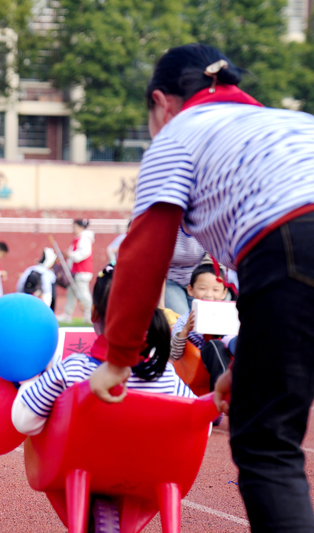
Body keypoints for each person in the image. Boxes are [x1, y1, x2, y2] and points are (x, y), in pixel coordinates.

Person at [87, 43, 314, 532]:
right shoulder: (292, 123)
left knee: (266, 444)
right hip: (288, 242)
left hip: (293, 239)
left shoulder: (177, 137)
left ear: (160, 103)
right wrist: (246, 362)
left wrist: (118, 357)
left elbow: (144, 253)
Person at [12, 263, 195, 435]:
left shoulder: (72, 371)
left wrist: (32, 380)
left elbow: (23, 422)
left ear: (94, 313)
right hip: (146, 468)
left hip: (82, 468)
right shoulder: (166, 376)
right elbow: (203, 425)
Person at [169, 262, 233, 392]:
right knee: (215, 345)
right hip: (198, 363)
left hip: (230, 359)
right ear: (191, 290)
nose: (209, 295)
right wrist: (186, 329)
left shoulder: (229, 315)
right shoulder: (184, 320)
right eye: (202, 288)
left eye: (215, 290)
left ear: (224, 293)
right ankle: (223, 393)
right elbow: (174, 355)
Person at [163, 227, 207, 315]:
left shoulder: (205, 226)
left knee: (201, 316)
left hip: (198, 281)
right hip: (171, 281)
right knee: (183, 317)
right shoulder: (165, 228)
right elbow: (158, 267)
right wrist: (161, 307)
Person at [58, 219, 94, 323]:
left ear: (81, 227)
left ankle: (91, 314)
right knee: (71, 293)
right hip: (74, 271)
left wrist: (71, 255)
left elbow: (84, 253)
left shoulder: (84, 239)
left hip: (82, 271)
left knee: (83, 294)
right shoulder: (78, 239)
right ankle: (67, 314)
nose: (73, 229)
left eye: (74, 227)